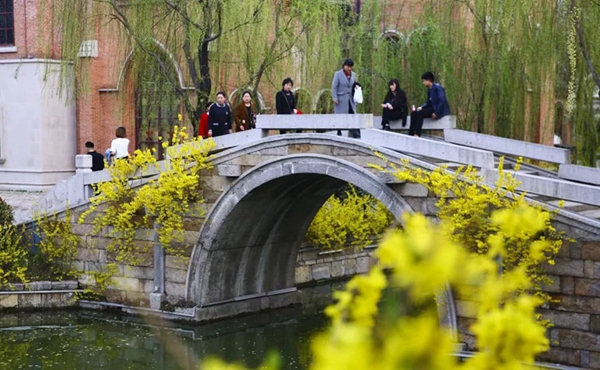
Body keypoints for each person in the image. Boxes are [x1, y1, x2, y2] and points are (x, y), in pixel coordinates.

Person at [409, 71, 450, 137]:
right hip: (433, 107)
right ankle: (411, 133)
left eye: (424, 81)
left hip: (438, 109)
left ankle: (417, 133)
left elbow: (442, 100)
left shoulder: (438, 88)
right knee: (414, 113)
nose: (423, 83)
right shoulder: (429, 90)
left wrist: (437, 113)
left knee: (420, 113)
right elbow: (428, 102)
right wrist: (422, 107)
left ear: (428, 80)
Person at [331, 58, 360, 138]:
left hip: (350, 99)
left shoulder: (353, 74)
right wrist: (334, 97)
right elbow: (334, 87)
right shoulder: (338, 74)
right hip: (341, 99)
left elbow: (354, 84)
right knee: (340, 116)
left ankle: (355, 132)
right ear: (344, 66)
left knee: (352, 114)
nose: (349, 68)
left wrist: (357, 86)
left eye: (351, 67)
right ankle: (339, 131)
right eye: (348, 66)